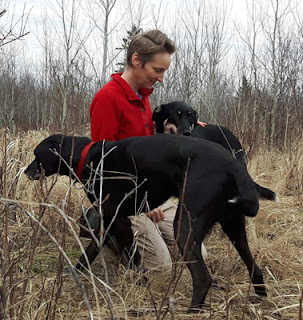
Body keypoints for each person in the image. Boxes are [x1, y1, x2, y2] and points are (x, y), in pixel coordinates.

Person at [89, 30, 207, 270]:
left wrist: (173, 134)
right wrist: (143, 204)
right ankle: (105, 229)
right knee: (160, 268)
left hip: (150, 192)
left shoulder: (143, 97)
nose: (161, 78)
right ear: (136, 61)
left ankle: (147, 230)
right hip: (124, 199)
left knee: (198, 252)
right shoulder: (107, 99)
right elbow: (104, 164)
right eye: (157, 70)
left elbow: (142, 150)